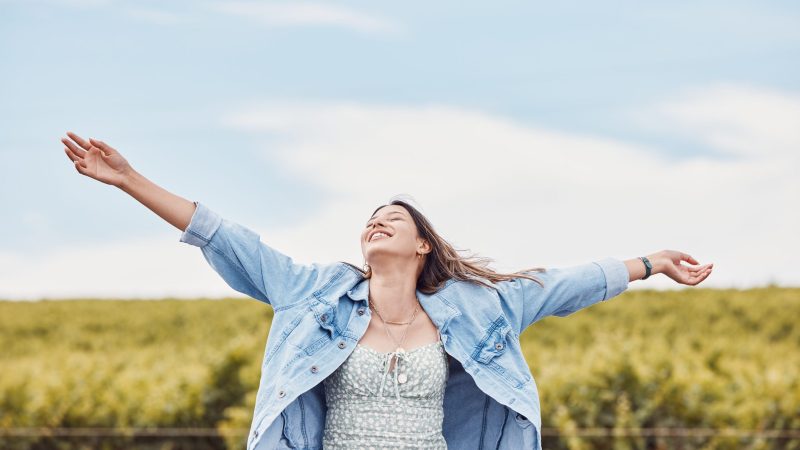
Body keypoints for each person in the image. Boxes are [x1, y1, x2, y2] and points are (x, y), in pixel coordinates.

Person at [62, 131, 714, 450]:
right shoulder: (313, 293)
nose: (377, 221)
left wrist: (652, 261)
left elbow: (562, 284)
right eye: (370, 217)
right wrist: (130, 180)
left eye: (393, 217)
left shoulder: (478, 305)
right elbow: (228, 238)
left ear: (422, 244)